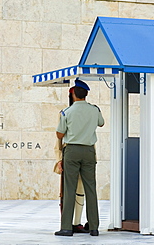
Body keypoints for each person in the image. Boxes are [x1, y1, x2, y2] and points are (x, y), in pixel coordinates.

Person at [54, 79, 104, 237]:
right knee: (91, 189)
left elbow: (60, 134)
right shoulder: (95, 110)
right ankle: (94, 227)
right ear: (86, 94)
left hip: (72, 151)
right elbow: (101, 123)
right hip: (89, 151)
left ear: (73, 94)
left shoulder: (66, 112)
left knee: (70, 189)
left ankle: (67, 228)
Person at [54, 86, 88, 233]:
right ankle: (70, 222)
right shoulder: (67, 113)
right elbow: (59, 141)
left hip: (73, 154)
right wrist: (58, 158)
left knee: (78, 190)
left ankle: (75, 223)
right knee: (70, 190)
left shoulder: (67, 113)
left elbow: (59, 137)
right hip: (81, 154)